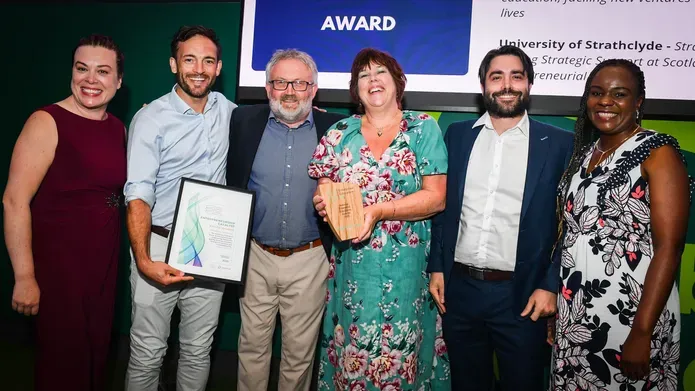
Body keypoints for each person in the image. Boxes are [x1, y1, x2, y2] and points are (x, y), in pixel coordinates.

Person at [427, 45, 574, 391]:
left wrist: (550, 284)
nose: (507, 85)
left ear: (529, 85)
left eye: (516, 76)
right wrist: (436, 265)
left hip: (523, 296)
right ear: (483, 86)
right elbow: (442, 207)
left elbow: (570, 224)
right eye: (497, 77)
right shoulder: (458, 135)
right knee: (467, 383)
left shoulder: (559, 143)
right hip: (460, 291)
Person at [309, 48, 450, 390]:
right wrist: (324, 204)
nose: (372, 81)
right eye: (363, 76)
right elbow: (323, 190)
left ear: (397, 81)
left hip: (407, 272)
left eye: (380, 73)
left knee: (403, 359)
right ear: (355, 89)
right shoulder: (339, 132)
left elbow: (436, 197)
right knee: (352, 356)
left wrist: (378, 211)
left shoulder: (422, 129)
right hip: (352, 269)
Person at [549, 59, 692, 390]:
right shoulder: (585, 153)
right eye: (597, 93)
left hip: (633, 316)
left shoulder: (658, 152)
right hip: (577, 315)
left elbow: (670, 248)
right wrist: (562, 310)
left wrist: (642, 332)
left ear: (638, 101)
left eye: (619, 94)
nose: (605, 102)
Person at [3, 34, 126, 391]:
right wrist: (25, 276)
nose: (91, 79)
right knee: (63, 364)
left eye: (103, 71)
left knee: (95, 358)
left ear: (118, 81)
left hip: (102, 266)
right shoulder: (46, 120)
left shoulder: (117, 128)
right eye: (82, 68)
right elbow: (14, 201)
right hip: (60, 269)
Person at [123, 25, 236, 391]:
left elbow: (276, 117)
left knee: (198, 350)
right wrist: (143, 260)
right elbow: (138, 194)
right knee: (147, 351)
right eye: (189, 59)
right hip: (157, 244)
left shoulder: (229, 111)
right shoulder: (150, 119)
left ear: (219, 68)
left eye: (208, 60)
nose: (199, 69)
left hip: (210, 250)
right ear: (174, 64)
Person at [226, 48, 346, 391]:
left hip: (309, 259)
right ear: (267, 88)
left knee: (299, 355)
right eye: (280, 82)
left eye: (299, 83)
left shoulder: (335, 127)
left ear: (313, 89)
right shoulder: (243, 121)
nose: (290, 91)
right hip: (255, 256)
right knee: (251, 348)